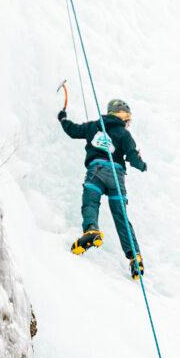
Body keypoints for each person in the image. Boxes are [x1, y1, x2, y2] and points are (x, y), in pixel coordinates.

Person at [60, 86, 147, 270]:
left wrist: (63, 118)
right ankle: (135, 257)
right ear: (121, 115)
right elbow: (132, 157)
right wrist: (142, 165)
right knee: (121, 216)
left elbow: (73, 130)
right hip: (117, 177)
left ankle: (91, 229)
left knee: (90, 202)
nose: (128, 123)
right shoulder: (125, 134)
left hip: (97, 171)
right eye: (127, 118)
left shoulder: (93, 126)